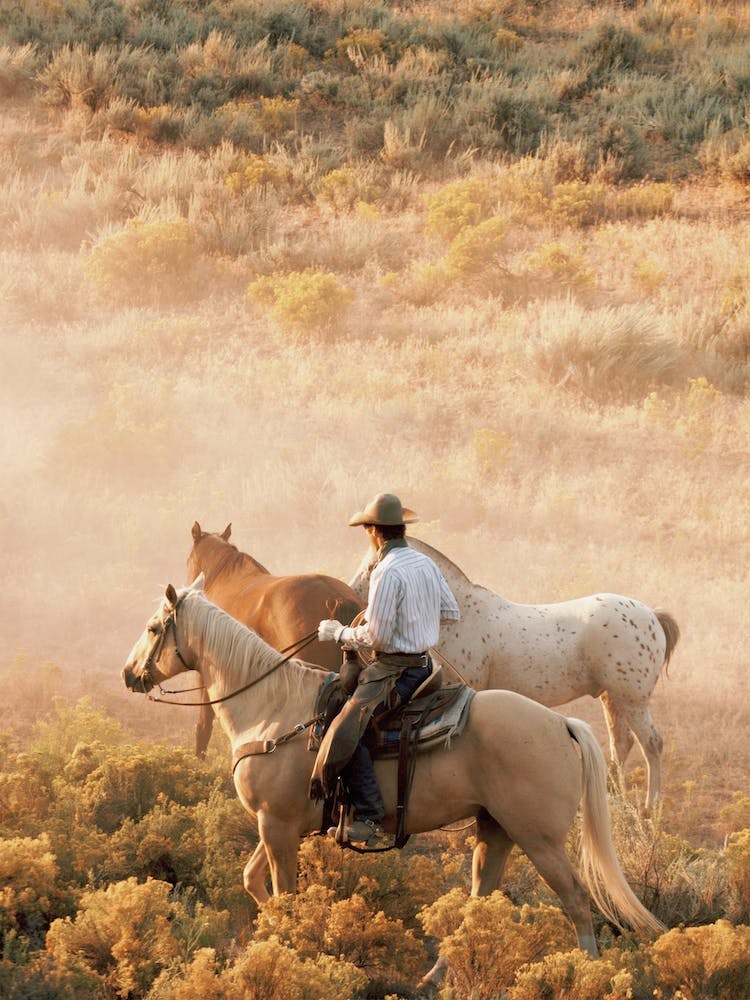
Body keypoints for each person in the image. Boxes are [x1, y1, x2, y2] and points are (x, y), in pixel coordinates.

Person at [313, 492, 460, 845]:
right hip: (425, 665)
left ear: (376, 532)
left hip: (395, 671)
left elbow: (376, 635)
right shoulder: (425, 563)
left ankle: (370, 816)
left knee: (347, 729)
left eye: (367, 530)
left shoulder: (386, 571)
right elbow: (451, 611)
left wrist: (339, 632)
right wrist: (418, 622)